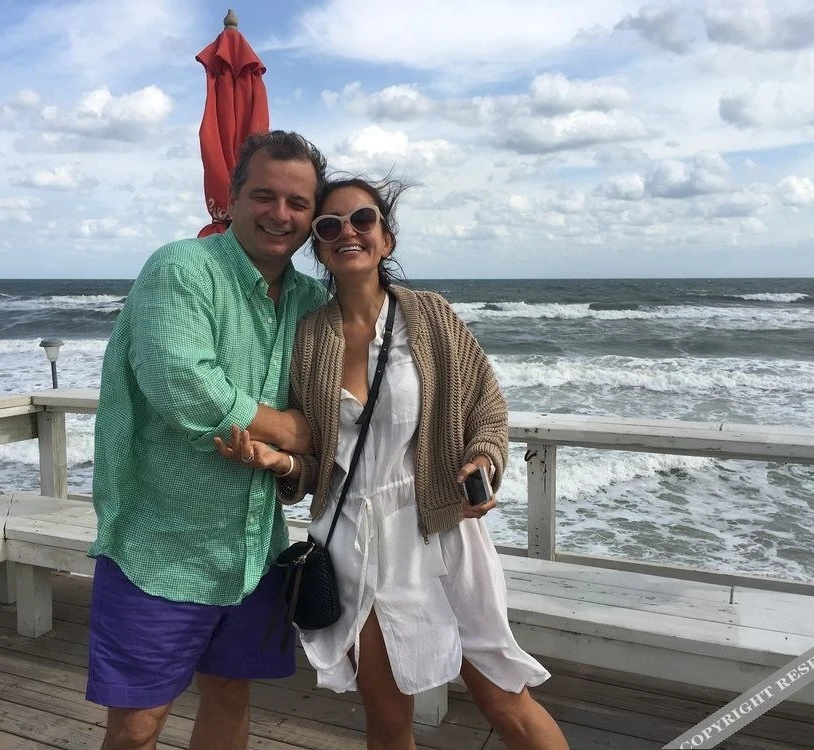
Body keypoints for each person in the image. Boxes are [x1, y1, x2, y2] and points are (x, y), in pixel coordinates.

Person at [215, 177, 570, 750]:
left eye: (362, 220)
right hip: (353, 540)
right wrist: (277, 462)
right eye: (329, 225)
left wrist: (483, 458)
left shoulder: (430, 317)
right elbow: (316, 463)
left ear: (387, 237)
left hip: (439, 529)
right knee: (386, 718)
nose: (347, 232)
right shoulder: (310, 338)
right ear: (318, 246)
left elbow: (486, 405)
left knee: (503, 698)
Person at [85, 130, 330, 750]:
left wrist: (287, 449)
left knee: (229, 696)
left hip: (253, 551)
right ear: (233, 197)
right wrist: (293, 428)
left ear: (312, 215)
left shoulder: (310, 299)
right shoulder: (182, 267)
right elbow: (185, 386)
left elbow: (334, 400)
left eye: (298, 203)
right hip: (158, 546)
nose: (280, 214)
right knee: (137, 727)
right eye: (264, 196)